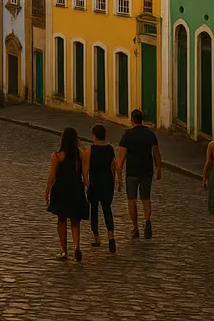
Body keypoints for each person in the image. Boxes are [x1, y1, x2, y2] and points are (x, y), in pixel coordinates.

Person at [45, 127, 88, 262]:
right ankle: (77, 246)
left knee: (61, 219)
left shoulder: (57, 156)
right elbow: (85, 174)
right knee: (75, 221)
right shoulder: (81, 154)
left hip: (61, 189)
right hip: (76, 188)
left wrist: (47, 191)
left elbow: (52, 176)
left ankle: (64, 251)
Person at [117, 109, 161, 239]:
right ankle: (147, 220)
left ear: (132, 120)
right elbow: (156, 152)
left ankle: (135, 228)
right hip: (146, 170)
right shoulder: (150, 134)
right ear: (142, 119)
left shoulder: (127, 135)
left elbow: (121, 157)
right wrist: (158, 167)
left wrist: (119, 176)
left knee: (132, 200)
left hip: (132, 172)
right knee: (146, 198)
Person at [83, 124, 116, 253]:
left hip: (95, 183)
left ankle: (96, 237)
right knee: (107, 210)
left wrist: (87, 184)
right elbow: (113, 166)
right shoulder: (109, 149)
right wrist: (114, 181)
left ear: (94, 135)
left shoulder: (90, 150)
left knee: (94, 211)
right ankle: (111, 237)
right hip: (107, 182)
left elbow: (85, 170)